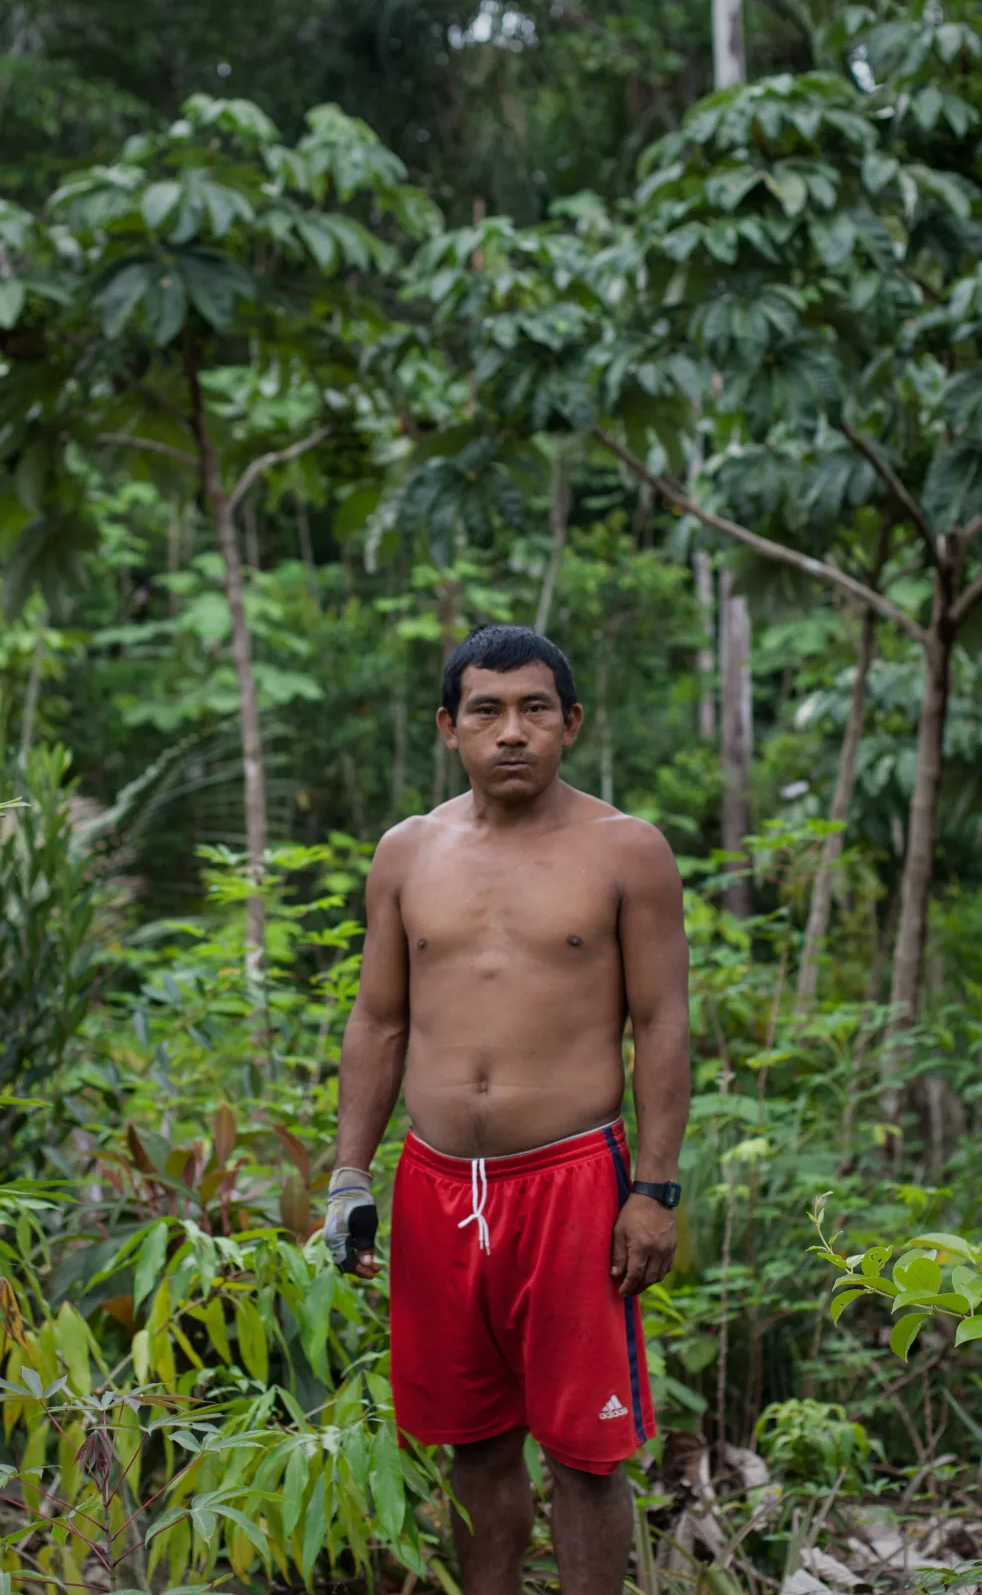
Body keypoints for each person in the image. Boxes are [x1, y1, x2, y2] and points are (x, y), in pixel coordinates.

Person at [322, 624, 692, 1595]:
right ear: (450, 727)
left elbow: (661, 1024)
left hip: (572, 1180)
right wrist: (350, 1174)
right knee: (475, 1444)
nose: (512, 730)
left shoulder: (627, 852)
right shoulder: (408, 852)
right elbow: (379, 1018)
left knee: (585, 1452)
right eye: (486, 709)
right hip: (439, 1185)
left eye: (535, 708)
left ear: (572, 722)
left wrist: (654, 1186)